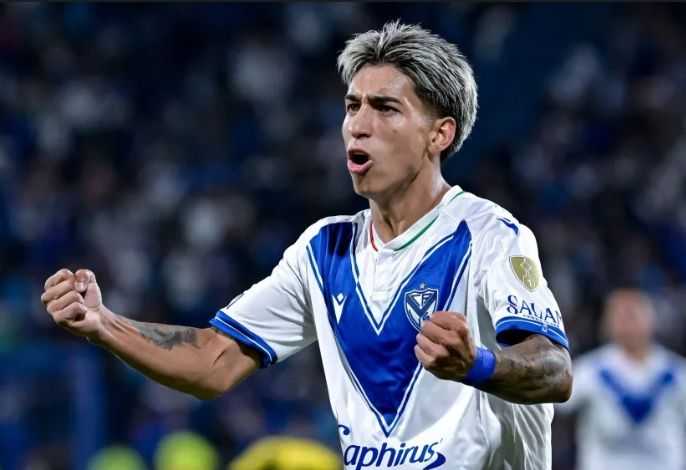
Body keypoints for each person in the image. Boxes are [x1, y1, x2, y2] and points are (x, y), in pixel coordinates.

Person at [40, 21, 572, 469]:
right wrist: (103, 324)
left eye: (385, 108)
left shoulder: (489, 235)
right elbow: (213, 361)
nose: (358, 125)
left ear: (439, 135)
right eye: (352, 106)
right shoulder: (323, 250)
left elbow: (554, 369)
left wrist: (478, 365)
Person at [558, 288, 686, 470]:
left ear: (651, 319)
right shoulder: (589, 371)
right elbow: (557, 406)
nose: (626, 323)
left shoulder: (677, 373)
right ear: (606, 323)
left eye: (632, 314)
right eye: (618, 315)